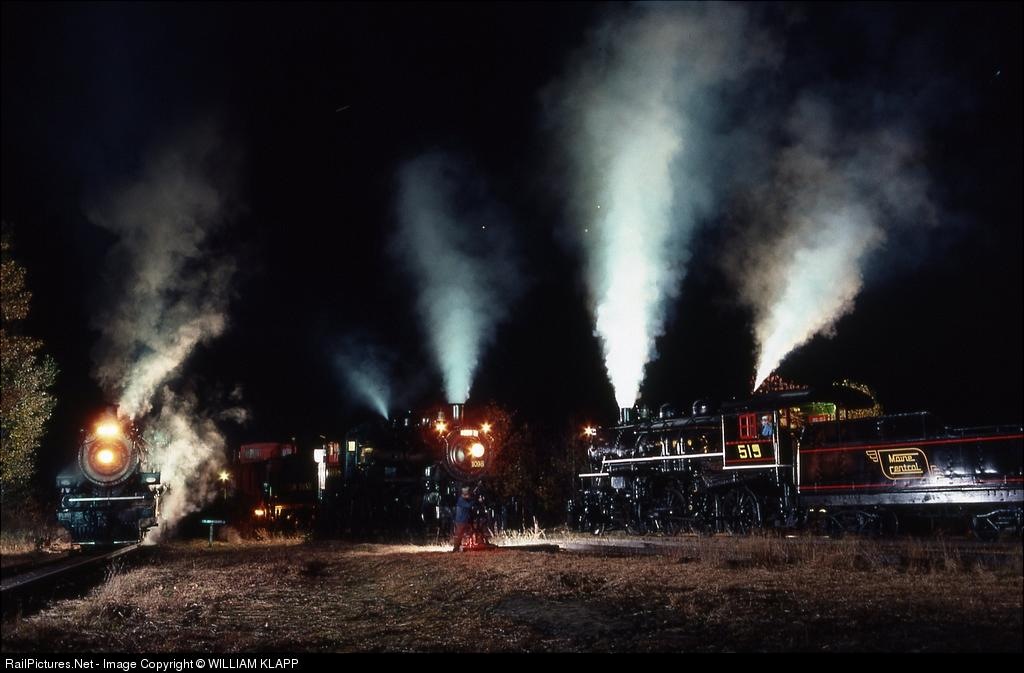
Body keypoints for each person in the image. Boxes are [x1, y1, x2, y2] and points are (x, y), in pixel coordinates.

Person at [451, 485, 475, 552]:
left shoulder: (463, 500)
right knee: (459, 534)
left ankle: (458, 547)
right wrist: (474, 500)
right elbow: (468, 506)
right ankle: (456, 548)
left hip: (463, 520)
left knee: (460, 534)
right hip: (460, 521)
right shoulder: (461, 500)